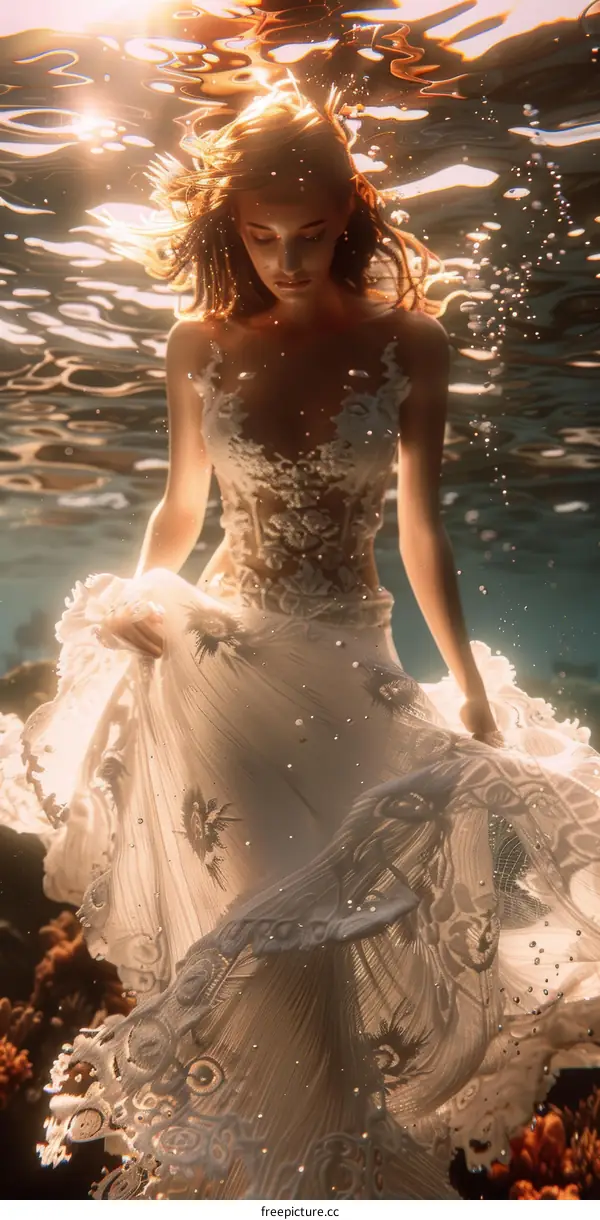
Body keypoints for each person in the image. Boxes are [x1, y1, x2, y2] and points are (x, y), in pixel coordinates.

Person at [2, 83, 600, 1201]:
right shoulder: (200, 341)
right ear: (231, 223)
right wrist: (142, 594)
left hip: (357, 666)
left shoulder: (410, 342)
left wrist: (466, 685)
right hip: (221, 670)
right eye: (262, 236)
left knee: (337, 947)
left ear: (350, 214)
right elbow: (183, 508)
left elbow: (422, 535)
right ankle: (275, 1180)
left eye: (312, 234)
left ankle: (328, 1179)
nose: (286, 257)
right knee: (268, 937)